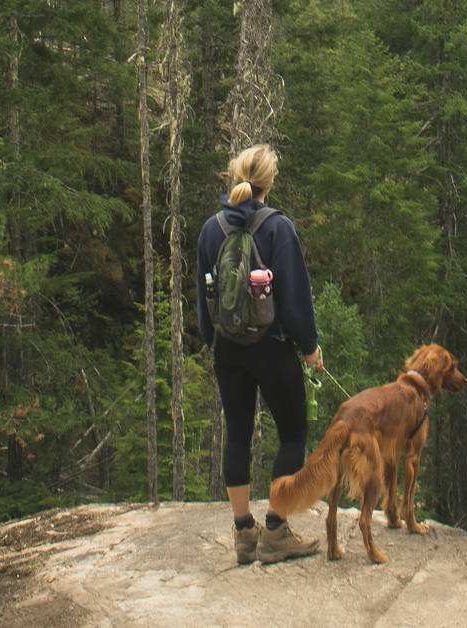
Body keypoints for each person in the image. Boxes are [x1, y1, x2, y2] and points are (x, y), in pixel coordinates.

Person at [196, 144, 324, 565]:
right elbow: (295, 300)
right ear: (269, 183)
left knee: (236, 434)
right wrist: (309, 350)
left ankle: (243, 534)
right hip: (272, 347)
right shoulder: (278, 228)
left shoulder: (211, 229)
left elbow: (204, 299)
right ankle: (275, 530)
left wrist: (210, 341)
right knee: (292, 435)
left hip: (228, 350)